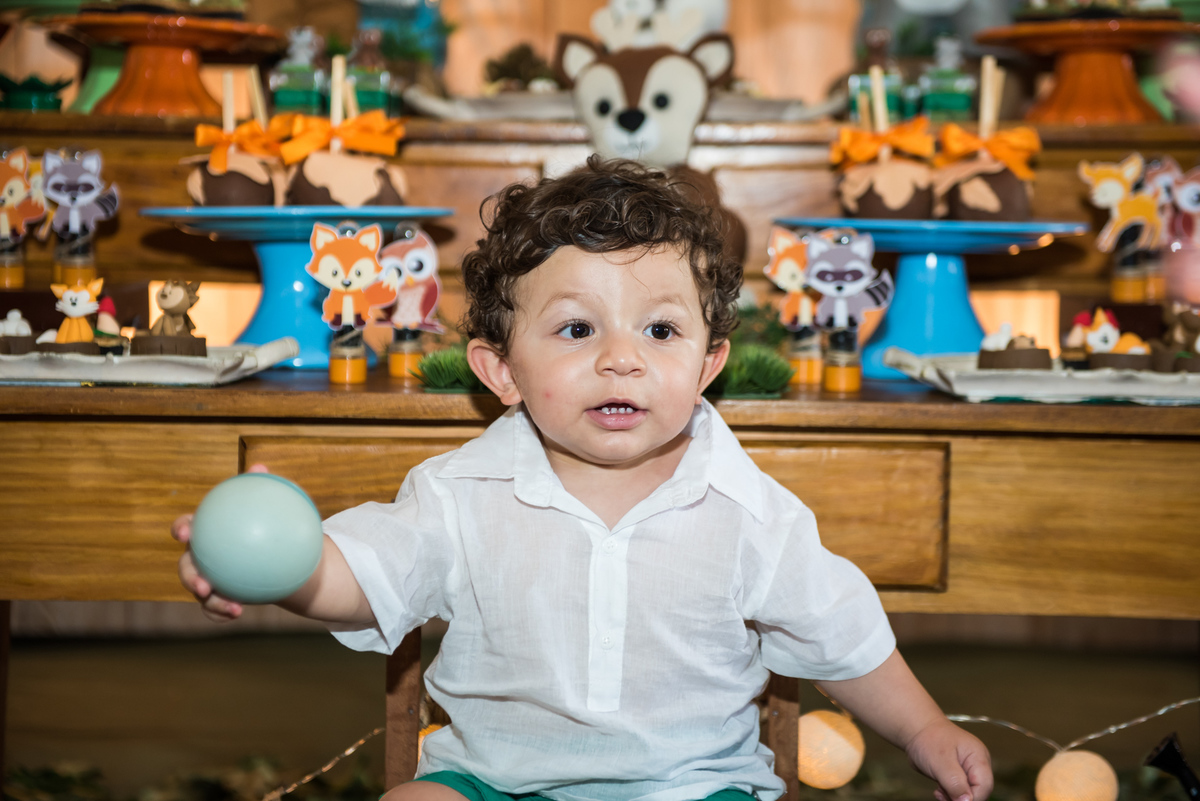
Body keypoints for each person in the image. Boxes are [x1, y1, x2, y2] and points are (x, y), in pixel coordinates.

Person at [172, 157, 992, 801]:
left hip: (691, 787)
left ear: (708, 364)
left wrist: (923, 729)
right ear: (500, 371)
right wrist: (284, 561)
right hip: (492, 779)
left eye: (661, 328)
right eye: (575, 327)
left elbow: (842, 635)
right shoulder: (459, 492)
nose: (621, 356)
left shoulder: (751, 512)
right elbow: (365, 576)